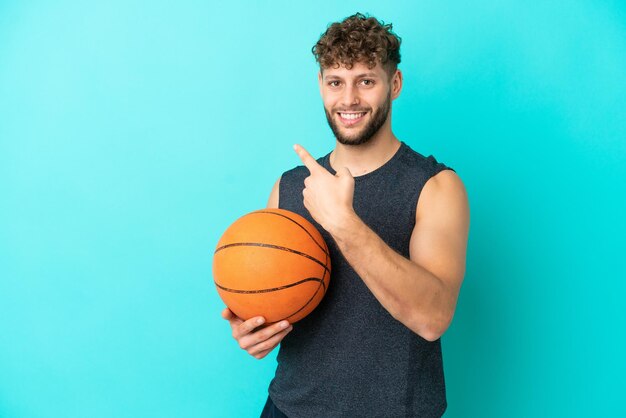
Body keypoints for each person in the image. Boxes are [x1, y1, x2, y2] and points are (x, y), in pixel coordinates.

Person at [222, 12, 470, 417]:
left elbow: (433, 317)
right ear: (321, 86)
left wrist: (344, 223)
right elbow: (268, 294)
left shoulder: (436, 187)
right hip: (289, 408)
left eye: (366, 81)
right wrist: (253, 325)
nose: (349, 99)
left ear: (395, 85)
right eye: (336, 82)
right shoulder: (290, 187)